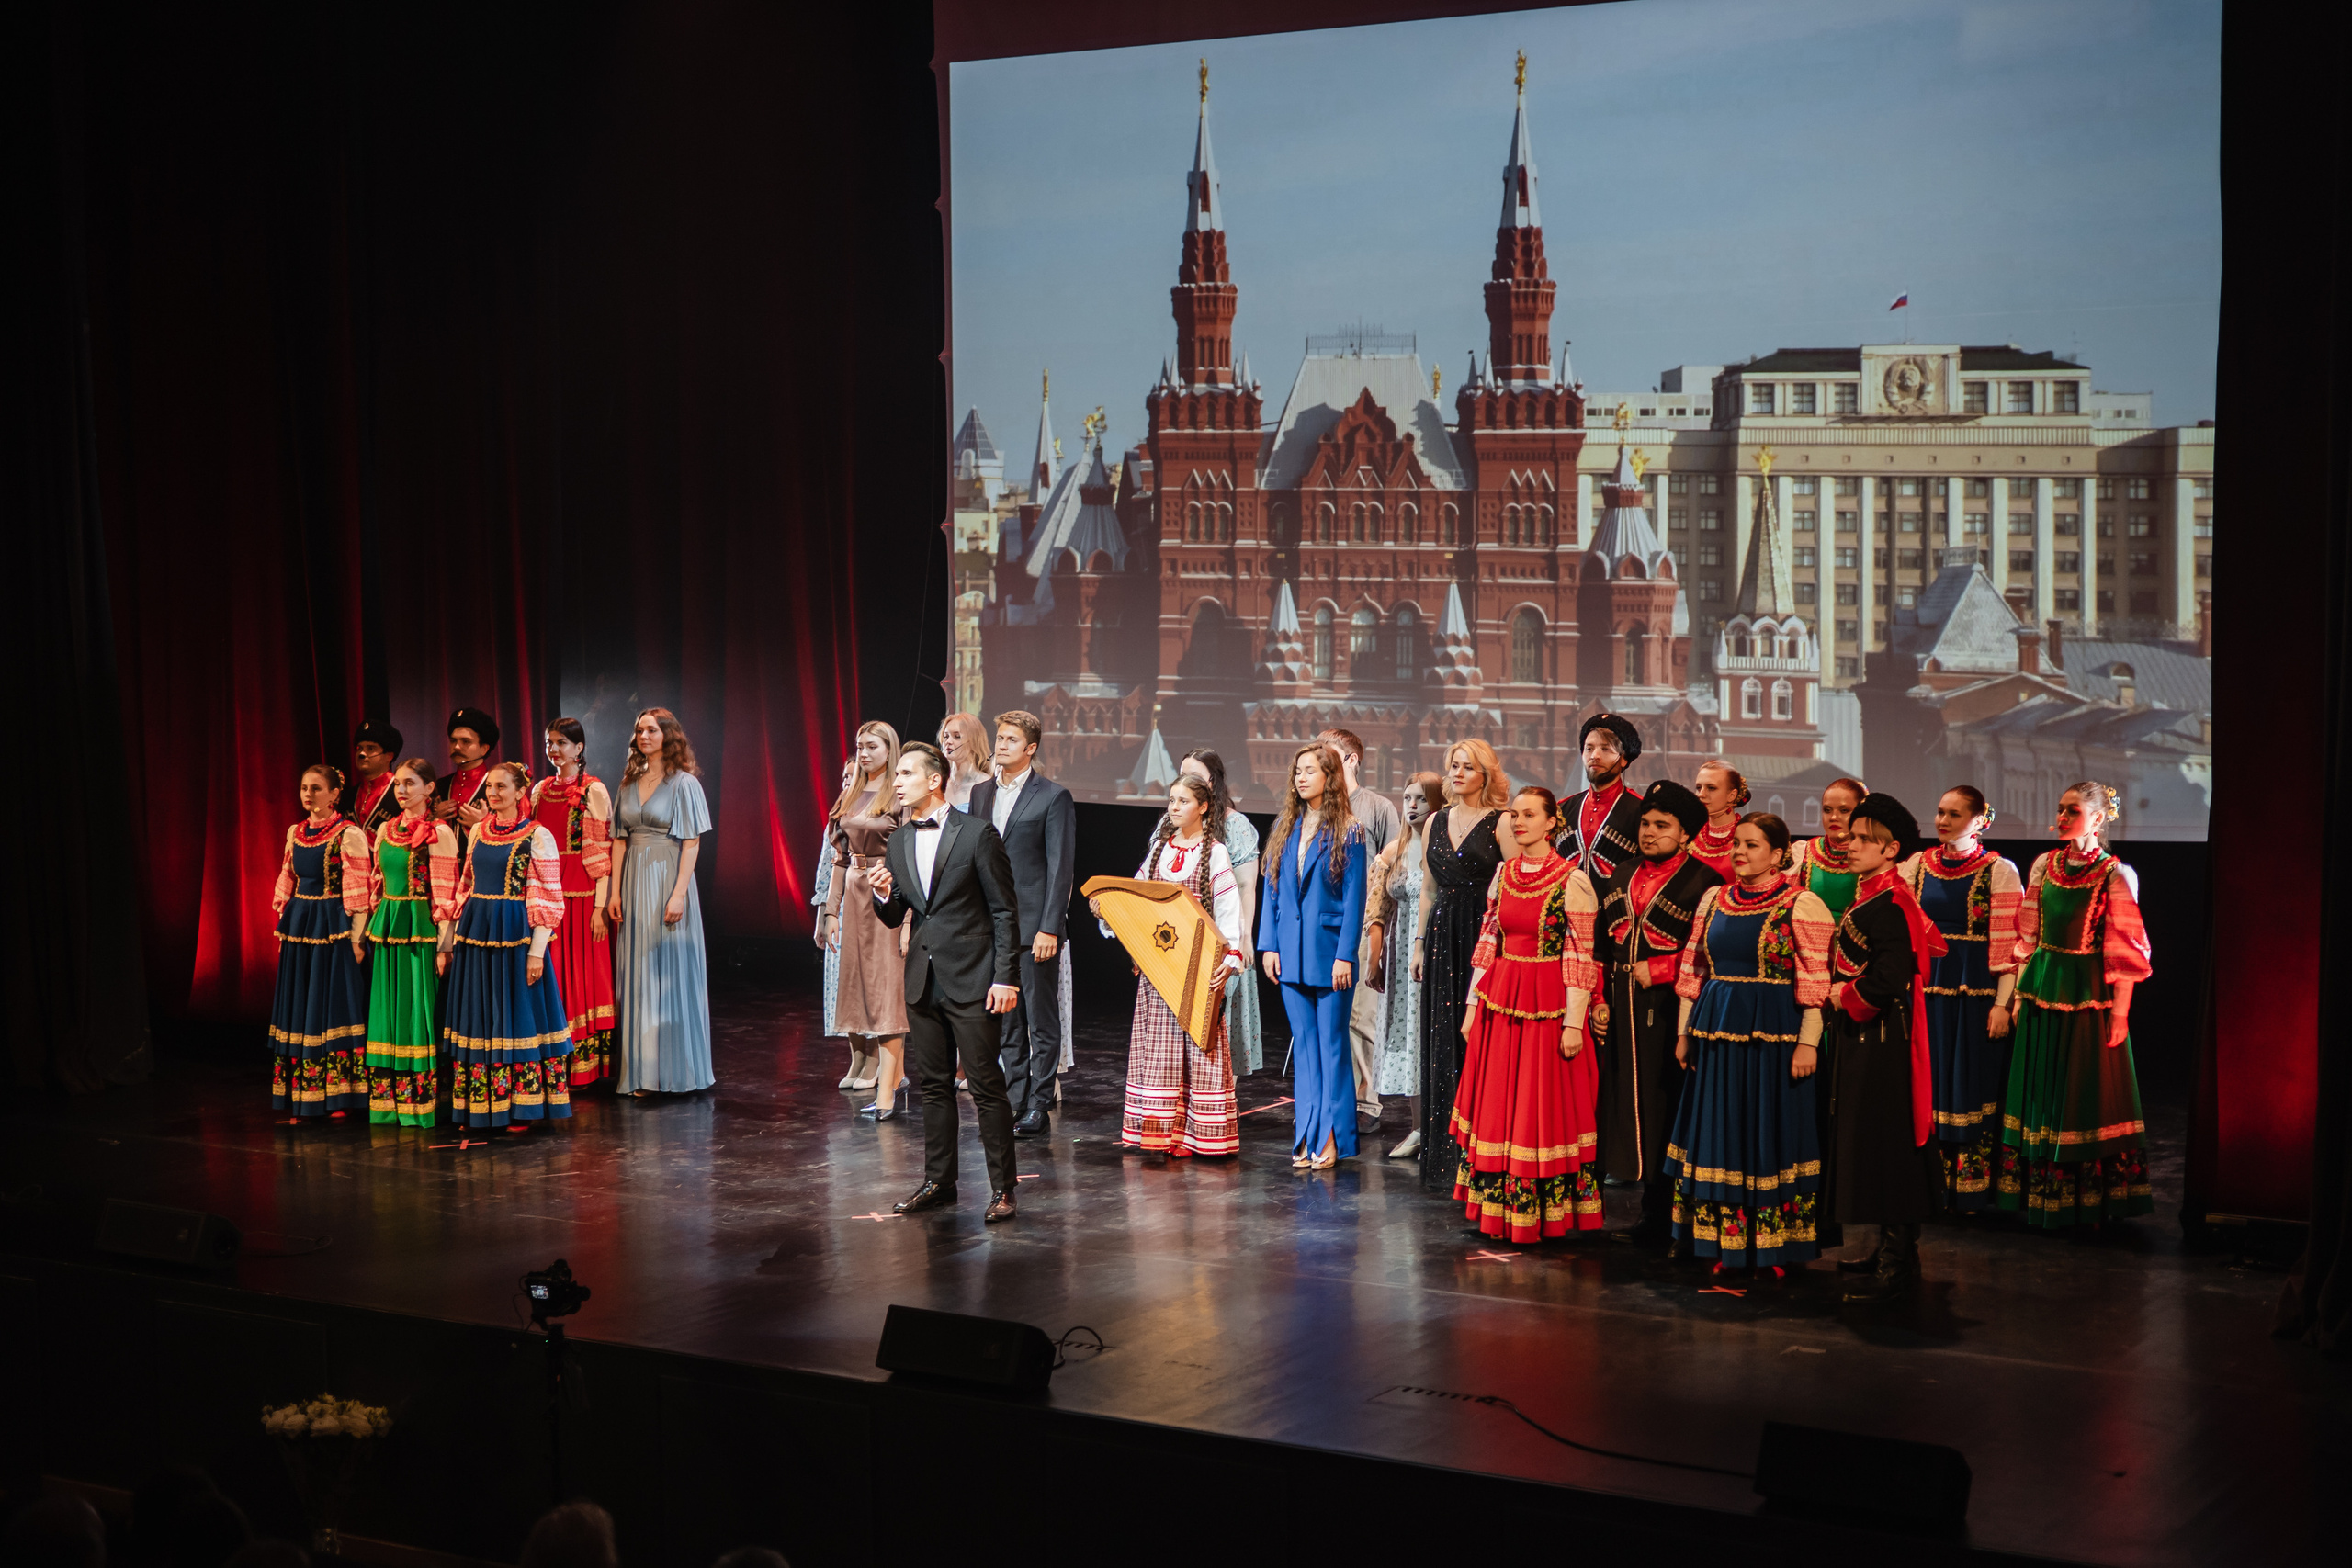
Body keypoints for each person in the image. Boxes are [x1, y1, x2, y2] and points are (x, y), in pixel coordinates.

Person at [1664, 814, 1835, 1274]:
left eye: (1752, 845)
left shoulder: (1802, 904)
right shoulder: (1712, 900)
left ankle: (1773, 1247)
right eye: (1737, 843)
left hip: (1773, 1038)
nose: (1740, 851)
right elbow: (1693, 972)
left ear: (1778, 855)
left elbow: (1815, 982)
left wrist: (1808, 1044)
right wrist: (1684, 1033)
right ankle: (1724, 1242)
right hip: (1717, 1034)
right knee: (1722, 1130)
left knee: (1766, 1130)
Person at [869, 741, 1023, 1221]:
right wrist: (881, 896)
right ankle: (940, 1181)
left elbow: (1003, 911)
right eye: (897, 775)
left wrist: (1006, 979)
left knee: (985, 1085)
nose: (897, 782)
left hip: (975, 977)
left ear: (933, 780)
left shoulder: (977, 834)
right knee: (933, 1086)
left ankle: (1003, 1189)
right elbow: (899, 914)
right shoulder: (897, 840)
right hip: (923, 978)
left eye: (906, 773)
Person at [1448, 787, 1604, 1240]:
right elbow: (1488, 941)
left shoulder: (1571, 880)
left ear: (1552, 823)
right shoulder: (1505, 872)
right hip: (1502, 997)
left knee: (1539, 1105)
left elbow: (1580, 956)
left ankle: (1539, 1215)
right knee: (1499, 1101)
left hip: (1548, 1002)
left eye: (1529, 815)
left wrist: (1574, 1022)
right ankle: (1498, 1212)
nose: (1518, 822)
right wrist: (1473, 1004)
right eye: (1514, 814)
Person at [1997, 781, 2154, 1230]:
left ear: (2099, 819)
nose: (2063, 817)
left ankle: (2088, 1200)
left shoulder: (2115, 874)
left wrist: (2120, 1013)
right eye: (2061, 810)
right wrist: (2017, 996)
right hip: (2044, 986)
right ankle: (2042, 1193)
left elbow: (2127, 951)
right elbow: (2029, 937)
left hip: (2087, 994)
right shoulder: (2044, 865)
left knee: (2083, 1092)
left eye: (2074, 811)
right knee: (2042, 1088)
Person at [1820, 794, 1947, 1301]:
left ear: (1891, 849)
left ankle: (1900, 1252)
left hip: (1885, 1039)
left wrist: (1843, 995)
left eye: (1863, 839)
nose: (1849, 845)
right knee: (1868, 1140)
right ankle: (1878, 1245)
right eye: (1850, 836)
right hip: (1863, 1035)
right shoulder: (1870, 893)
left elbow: (1893, 977)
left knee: (1890, 1140)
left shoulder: (1893, 902)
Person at [1591, 779, 1722, 1239]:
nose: (1649, 832)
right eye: (1645, 823)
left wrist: (1663, 969)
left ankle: (1666, 1212)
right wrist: (1598, 999)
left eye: (1662, 825)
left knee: (1665, 1105)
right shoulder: (1621, 873)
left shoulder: (1705, 882)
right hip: (1621, 1009)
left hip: (1672, 1013)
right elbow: (1601, 946)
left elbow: (1710, 952)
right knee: (1622, 1105)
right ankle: (1640, 1205)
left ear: (1685, 834)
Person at [1095, 775, 1243, 1156]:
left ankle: (1199, 1136)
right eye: (1171, 800)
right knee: (1160, 1043)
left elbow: (1228, 910)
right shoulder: (1159, 850)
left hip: (1195, 964)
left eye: (1183, 801)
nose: (1174, 807)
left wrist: (1231, 956)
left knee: (1199, 1041)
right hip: (1160, 966)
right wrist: (1108, 909)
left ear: (1203, 807)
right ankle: (1164, 1133)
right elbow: (1136, 898)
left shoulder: (1216, 852)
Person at [1900, 785, 2024, 1212]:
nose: (1942, 821)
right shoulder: (1916, 865)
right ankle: (1927, 1182)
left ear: (1979, 821)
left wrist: (2002, 1004)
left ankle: (1969, 1187)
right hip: (1928, 992)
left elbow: (2009, 943)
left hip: (1974, 995)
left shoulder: (1999, 870)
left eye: (1954, 814)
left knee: (1967, 1082)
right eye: (1939, 812)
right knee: (1928, 1082)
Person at [441, 761, 572, 1132]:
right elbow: (464, 886)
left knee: (515, 1015)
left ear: (519, 793)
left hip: (515, 932)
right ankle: (481, 1103)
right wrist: (448, 942)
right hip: (477, 932)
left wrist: (536, 951)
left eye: (501, 787)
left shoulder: (537, 835)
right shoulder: (479, 831)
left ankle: (521, 1107)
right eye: (489, 788)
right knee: (481, 1014)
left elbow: (548, 898)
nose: (493, 794)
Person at [1258, 742, 1368, 1170]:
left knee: (1332, 1047)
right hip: (1290, 954)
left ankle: (1333, 1138)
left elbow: (1356, 899)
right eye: (1297, 771)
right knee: (1303, 1049)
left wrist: (1345, 956)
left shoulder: (1351, 831)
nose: (1301, 777)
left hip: (1329, 954)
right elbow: (1272, 892)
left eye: (1310, 770)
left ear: (1330, 777)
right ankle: (1305, 1134)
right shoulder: (1286, 827)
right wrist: (1269, 945)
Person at [967, 710, 1076, 1136]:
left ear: (1030, 748)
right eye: (999, 737)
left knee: (1040, 1020)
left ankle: (1039, 1103)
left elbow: (1059, 868)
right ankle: (1014, 1097)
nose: (1002, 744)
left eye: (1012, 739)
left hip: (1034, 928)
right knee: (1005, 1018)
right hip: (992, 926)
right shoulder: (980, 793)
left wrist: (1050, 926)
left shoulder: (1052, 796)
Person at [1412, 739, 1510, 1190]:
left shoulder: (1501, 823)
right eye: (1454, 765)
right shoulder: (1434, 820)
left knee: (1476, 1040)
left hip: (1484, 932)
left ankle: (1480, 1154)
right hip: (1441, 936)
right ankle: (1443, 1156)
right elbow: (1428, 891)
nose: (1458, 773)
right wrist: (1417, 945)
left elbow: (1517, 881)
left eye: (1468, 767)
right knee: (1441, 1037)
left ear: (1485, 774)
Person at [607, 706, 715, 1096]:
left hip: (667, 877)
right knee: (637, 974)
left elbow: (692, 842)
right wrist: (615, 891)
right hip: (634, 879)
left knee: (666, 971)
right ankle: (642, 1072)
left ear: (668, 736)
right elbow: (619, 840)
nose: (644, 736)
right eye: (639, 730)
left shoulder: (684, 783)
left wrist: (680, 893)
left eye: (652, 730)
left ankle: (674, 1072)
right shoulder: (627, 783)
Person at [267, 765, 373, 1122]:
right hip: (300, 924)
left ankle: (339, 1095)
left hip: (332, 926)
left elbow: (360, 890)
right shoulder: (295, 832)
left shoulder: (348, 834)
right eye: (303, 788)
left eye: (316, 788)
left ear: (334, 795)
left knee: (330, 1006)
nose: (308, 795)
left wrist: (358, 940)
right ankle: (303, 1093)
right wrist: (284, 929)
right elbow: (287, 877)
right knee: (301, 1005)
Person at [363, 759, 458, 1126]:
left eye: (410, 783)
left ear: (429, 789)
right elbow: (376, 881)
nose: (401, 791)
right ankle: (389, 1103)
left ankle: (421, 1102)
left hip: (421, 930)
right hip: (389, 929)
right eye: (399, 784)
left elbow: (447, 891)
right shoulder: (386, 829)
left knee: (417, 1011)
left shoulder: (440, 832)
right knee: (388, 1011)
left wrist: (445, 945)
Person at [1317, 728, 1402, 1136]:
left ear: (1351, 760)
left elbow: (1394, 872)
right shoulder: (1315, 805)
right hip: (1325, 926)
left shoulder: (1378, 808)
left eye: (1328, 752)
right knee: (1326, 1015)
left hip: (1363, 926)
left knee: (1360, 1016)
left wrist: (1379, 934)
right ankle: (1329, 1095)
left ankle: (1364, 1100)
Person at [820, 723, 909, 1111]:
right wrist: (830, 910)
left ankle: (888, 1071)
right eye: (860, 747)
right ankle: (864, 1057)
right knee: (855, 978)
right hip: (853, 891)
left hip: (885, 889)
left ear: (890, 750)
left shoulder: (899, 794)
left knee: (885, 981)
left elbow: (907, 853)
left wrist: (906, 916)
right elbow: (839, 857)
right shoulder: (850, 792)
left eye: (872, 746)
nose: (865, 753)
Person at [532, 719, 616, 1090]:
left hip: (581, 897)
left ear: (579, 748)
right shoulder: (539, 790)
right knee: (554, 973)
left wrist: (600, 906)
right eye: (550, 743)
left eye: (562, 743)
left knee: (580, 975)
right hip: (548, 893)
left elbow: (602, 849)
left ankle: (582, 1066)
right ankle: (551, 1059)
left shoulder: (592, 790)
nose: (555, 750)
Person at [1367, 772, 1439, 1157]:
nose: (1412, 806)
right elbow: (1377, 909)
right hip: (1398, 958)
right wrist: (1374, 959)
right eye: (1407, 798)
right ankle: (1417, 1127)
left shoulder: (1442, 848)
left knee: (1427, 1032)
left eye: (1421, 799)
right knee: (1407, 1036)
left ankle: (1441, 1126)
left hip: (1431, 950)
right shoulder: (1393, 850)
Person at [1182, 749, 1263, 1074]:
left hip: (1220, 935)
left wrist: (1243, 939)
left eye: (1196, 776)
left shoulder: (1234, 824)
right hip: (1179, 934)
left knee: (1215, 1018)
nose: (1186, 782)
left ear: (1212, 782)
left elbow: (1246, 887)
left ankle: (1217, 1094)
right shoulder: (1170, 821)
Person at [1556, 712, 1645, 880]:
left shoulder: (1641, 811)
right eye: (1588, 748)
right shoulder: (1563, 809)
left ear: (1624, 759)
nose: (1594, 756)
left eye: (1605, 749)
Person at [811, 755, 856, 1038]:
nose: (847, 781)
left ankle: (876, 1060)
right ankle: (857, 1057)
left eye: (853, 775)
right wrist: (821, 919)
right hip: (838, 911)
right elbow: (825, 875)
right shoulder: (836, 817)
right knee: (840, 983)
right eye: (844, 777)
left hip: (865, 904)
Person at [1790, 776, 1870, 927]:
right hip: (1811, 946)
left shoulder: (1873, 856)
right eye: (1827, 810)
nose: (1833, 817)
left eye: (1844, 810)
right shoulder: (1803, 853)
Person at [432, 707, 500, 831]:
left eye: (466, 741)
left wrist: (484, 824)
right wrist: (434, 819)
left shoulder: (501, 786)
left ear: (484, 749)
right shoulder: (440, 786)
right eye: (453, 741)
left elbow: (519, 833)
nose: (456, 747)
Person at [341, 720, 404, 837]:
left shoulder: (402, 792)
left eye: (370, 748)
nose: (362, 754)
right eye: (359, 748)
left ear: (389, 756)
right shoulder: (347, 796)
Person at [1688, 759, 1747, 881]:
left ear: (1732, 795)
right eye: (1699, 788)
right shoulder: (1689, 836)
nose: (1701, 794)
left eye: (1711, 788)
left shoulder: (1747, 836)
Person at [938, 712, 992, 810]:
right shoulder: (937, 783)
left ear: (974, 741)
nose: (948, 741)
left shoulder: (985, 784)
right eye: (946, 736)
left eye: (957, 736)